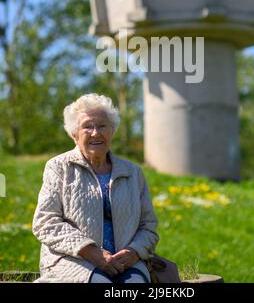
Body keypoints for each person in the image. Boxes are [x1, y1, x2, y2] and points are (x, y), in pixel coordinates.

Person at [32, 93, 159, 283]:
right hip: (72, 259)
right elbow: (45, 222)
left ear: (112, 131)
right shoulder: (58, 167)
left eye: (102, 126)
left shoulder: (133, 172)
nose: (95, 133)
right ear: (74, 134)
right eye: (87, 127)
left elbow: (149, 226)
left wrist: (134, 252)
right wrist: (93, 253)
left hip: (126, 262)